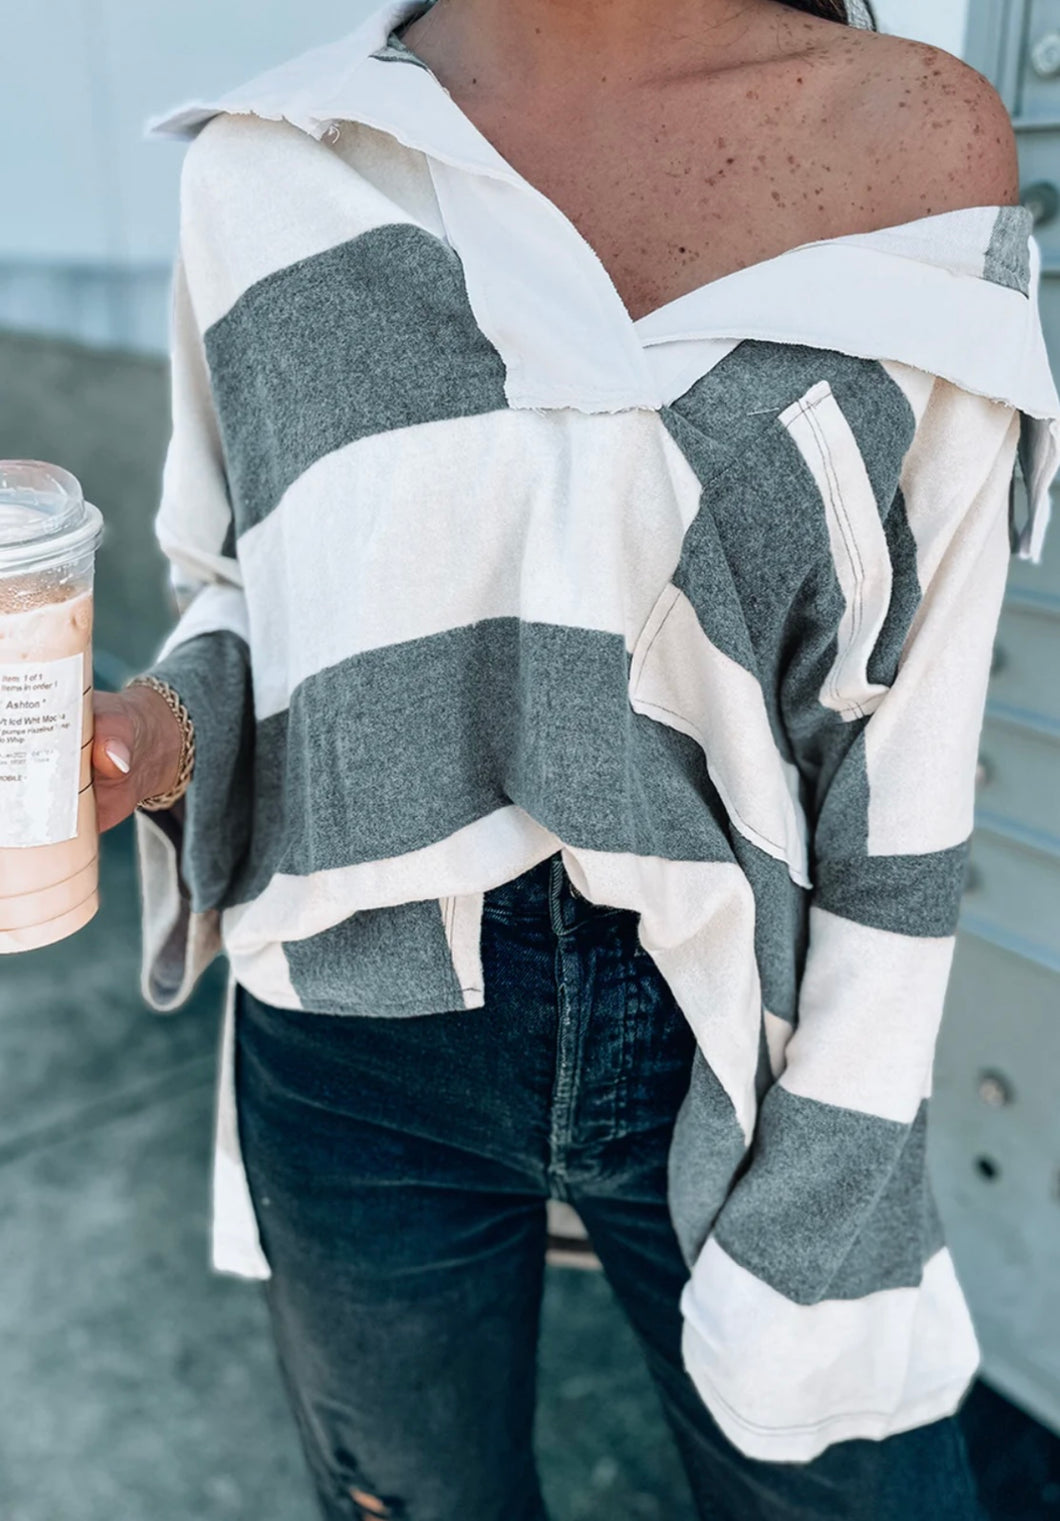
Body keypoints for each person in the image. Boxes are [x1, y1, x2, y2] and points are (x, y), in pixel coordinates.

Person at [92, 0, 1060, 1516]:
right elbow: (246, 592)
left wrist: (832, 1179)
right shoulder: (274, 161)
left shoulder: (914, 144)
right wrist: (148, 740)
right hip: (353, 1023)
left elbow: (905, 768)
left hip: (741, 1029)